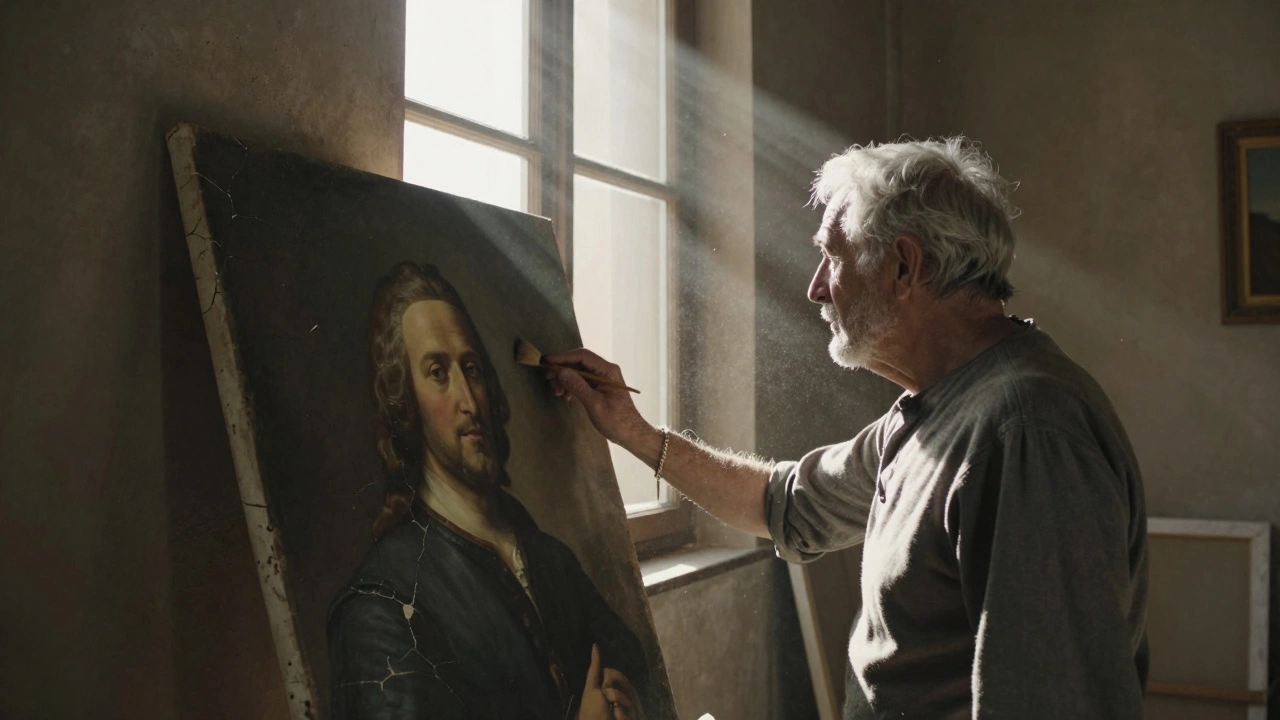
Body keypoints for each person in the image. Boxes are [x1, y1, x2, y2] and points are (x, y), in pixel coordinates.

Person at [546, 138, 1149, 719]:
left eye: (833, 256)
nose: (815, 288)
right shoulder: (934, 408)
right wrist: (635, 433)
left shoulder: (1024, 432)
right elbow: (786, 505)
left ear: (904, 267)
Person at [328, 261, 651, 720]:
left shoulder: (551, 559)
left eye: (472, 369)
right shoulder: (381, 604)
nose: (468, 400)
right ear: (405, 401)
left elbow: (639, 671)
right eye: (437, 372)